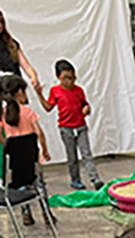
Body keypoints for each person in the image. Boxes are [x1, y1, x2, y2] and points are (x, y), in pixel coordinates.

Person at [35, 59, 103, 191]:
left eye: (72, 78)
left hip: (81, 127)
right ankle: (75, 180)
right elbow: (48, 107)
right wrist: (39, 95)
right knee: (72, 156)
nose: (70, 81)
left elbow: (85, 104)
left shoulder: (79, 90)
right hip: (66, 128)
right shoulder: (55, 91)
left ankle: (95, 178)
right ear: (58, 77)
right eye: (66, 78)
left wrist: (87, 108)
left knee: (86, 154)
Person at [0, 74, 50, 226]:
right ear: (20, 92)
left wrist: (7, 146)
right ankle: (46, 212)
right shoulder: (28, 112)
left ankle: (26, 213)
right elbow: (39, 133)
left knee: (20, 186)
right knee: (38, 184)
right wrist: (45, 150)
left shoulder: (3, 113)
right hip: (31, 162)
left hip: (13, 166)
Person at [0, 11, 40, 90]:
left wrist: (33, 77)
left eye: (1, 21)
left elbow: (26, 66)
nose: (0, 25)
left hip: (16, 89)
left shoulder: (11, 43)